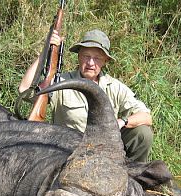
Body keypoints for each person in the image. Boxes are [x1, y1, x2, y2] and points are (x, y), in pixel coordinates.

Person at [19, 29, 153, 162]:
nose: (90, 63)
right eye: (86, 56)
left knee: (142, 133)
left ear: (105, 61)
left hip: (105, 152)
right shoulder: (62, 82)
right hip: (68, 152)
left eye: (97, 58)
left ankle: (133, 178)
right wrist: (45, 52)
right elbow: (24, 89)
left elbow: (146, 117)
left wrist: (121, 122)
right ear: (78, 56)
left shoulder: (115, 87)